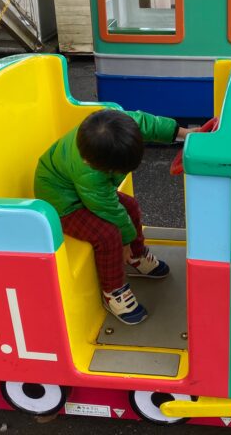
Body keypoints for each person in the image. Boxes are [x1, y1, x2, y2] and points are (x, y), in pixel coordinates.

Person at [34, 109, 195, 325]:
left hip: (82, 190)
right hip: (62, 203)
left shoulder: (119, 126)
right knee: (107, 235)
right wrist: (125, 241)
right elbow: (107, 209)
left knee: (131, 205)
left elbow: (150, 124)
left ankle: (136, 257)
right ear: (94, 164)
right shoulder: (89, 172)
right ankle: (113, 292)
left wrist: (187, 134)